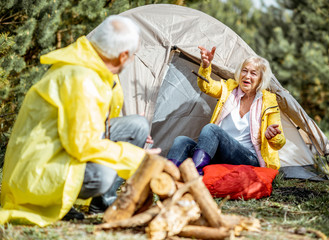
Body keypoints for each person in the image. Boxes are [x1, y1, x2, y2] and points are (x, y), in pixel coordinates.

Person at [0, 15, 160, 226]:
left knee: (137, 126)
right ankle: (56, 204)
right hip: (39, 168)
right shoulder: (81, 78)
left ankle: (103, 204)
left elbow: (96, 121)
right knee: (102, 175)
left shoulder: (93, 65)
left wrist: (128, 140)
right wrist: (137, 157)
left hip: (62, 146)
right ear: (123, 57)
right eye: (133, 55)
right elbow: (82, 145)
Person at [167, 46, 286, 174]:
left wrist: (272, 136)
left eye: (253, 73)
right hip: (220, 152)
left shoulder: (268, 101)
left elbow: (279, 143)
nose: (247, 76)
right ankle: (167, 179)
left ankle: (196, 176)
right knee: (181, 141)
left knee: (211, 129)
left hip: (248, 158)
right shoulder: (229, 90)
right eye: (244, 71)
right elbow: (207, 86)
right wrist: (206, 66)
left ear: (261, 79)